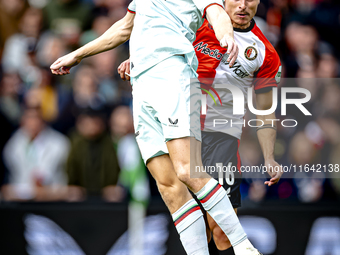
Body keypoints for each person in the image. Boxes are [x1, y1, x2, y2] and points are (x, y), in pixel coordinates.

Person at [50, 1, 261, 254]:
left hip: (172, 72)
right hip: (140, 84)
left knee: (187, 171)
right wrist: (77, 54)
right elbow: (125, 27)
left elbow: (217, 13)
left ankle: (244, 246)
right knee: (169, 187)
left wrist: (227, 37)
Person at [118, 0, 283, 254]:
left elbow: (265, 109)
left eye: (249, 0)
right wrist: (137, 59)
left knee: (221, 234)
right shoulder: (197, 23)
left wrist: (270, 157)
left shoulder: (265, 52)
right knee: (190, 215)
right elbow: (161, 43)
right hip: (182, 123)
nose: (242, 5)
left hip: (222, 136)